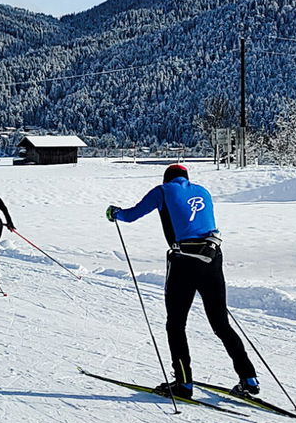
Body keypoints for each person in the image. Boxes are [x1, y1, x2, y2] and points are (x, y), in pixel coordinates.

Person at [106, 164, 258, 398]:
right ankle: (249, 378)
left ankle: (184, 384)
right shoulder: (203, 191)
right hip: (212, 257)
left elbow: (132, 214)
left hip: (184, 261)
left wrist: (115, 213)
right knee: (221, 324)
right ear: (187, 178)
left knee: (176, 324)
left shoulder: (163, 191)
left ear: (167, 179)